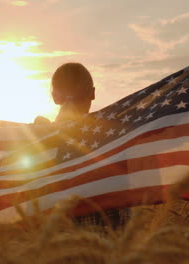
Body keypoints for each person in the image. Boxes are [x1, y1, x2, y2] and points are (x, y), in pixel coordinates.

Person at [35, 62, 128, 229]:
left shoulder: (38, 138)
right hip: (112, 241)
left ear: (54, 96)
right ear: (92, 93)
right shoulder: (115, 135)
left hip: (54, 243)